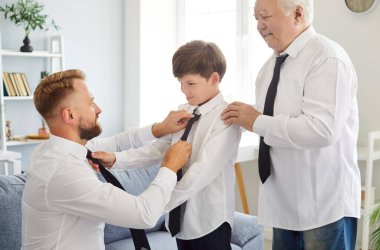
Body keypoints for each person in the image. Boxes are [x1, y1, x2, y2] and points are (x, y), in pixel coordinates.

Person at [221, 0, 360, 249]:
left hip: (323, 206)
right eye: (255, 18)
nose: (259, 26)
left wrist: (256, 121)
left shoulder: (327, 57)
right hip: (284, 206)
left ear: (297, 13)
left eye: (264, 16)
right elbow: (269, 125)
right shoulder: (267, 70)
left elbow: (322, 130)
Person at [93, 40, 242, 250]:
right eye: (180, 82)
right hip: (182, 221)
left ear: (214, 79)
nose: (183, 90)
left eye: (190, 83)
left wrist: (155, 206)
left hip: (209, 220)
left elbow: (199, 175)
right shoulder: (184, 110)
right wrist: (117, 160)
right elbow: (158, 149)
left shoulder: (227, 118)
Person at [22, 69, 193, 249]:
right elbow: (144, 214)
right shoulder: (63, 171)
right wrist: (169, 167)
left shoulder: (54, 150)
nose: (98, 109)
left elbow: (119, 142)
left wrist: (161, 128)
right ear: (70, 115)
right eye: (91, 103)